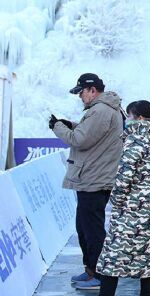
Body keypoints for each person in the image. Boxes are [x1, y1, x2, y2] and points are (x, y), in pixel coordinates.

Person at [49, 73, 123, 290]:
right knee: (85, 227)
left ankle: (99, 275)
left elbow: (79, 139)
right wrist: (69, 124)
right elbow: (88, 132)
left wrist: (57, 126)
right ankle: (92, 270)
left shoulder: (100, 110)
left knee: (91, 229)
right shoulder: (104, 109)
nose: (80, 96)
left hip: (94, 178)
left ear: (92, 90)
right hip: (94, 176)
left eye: (81, 92)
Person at [96, 101, 150, 296]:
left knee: (112, 260)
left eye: (130, 116)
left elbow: (124, 177)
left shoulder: (136, 140)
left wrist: (116, 201)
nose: (127, 120)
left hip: (130, 210)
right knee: (148, 262)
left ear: (140, 118)